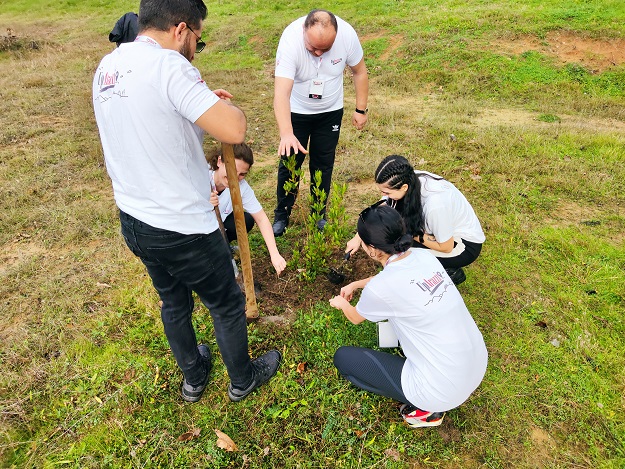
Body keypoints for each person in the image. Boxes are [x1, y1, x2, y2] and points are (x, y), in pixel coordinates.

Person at [92, 0, 281, 404]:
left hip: (135, 220)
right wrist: (225, 107)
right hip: (182, 227)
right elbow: (232, 129)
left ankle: (194, 378)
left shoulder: (108, 67)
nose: (196, 46)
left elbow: (148, 115)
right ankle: (242, 379)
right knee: (226, 302)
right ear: (181, 29)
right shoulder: (170, 67)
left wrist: (197, 100)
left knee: (173, 301)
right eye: (198, 37)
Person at [330, 203, 488, 428]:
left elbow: (355, 317)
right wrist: (357, 284)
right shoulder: (423, 257)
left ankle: (427, 411)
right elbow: (391, 279)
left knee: (344, 358)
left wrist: (340, 303)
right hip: (476, 365)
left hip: (439, 390)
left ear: (372, 250)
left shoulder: (383, 287)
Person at [272, 9, 369, 236]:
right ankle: (282, 215)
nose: (317, 53)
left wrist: (360, 109)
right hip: (296, 112)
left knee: (323, 164)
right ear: (304, 31)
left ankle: (319, 214)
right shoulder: (290, 41)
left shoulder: (347, 36)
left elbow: (360, 72)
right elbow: (281, 94)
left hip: (330, 112)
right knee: (290, 164)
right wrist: (287, 133)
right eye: (313, 47)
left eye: (324, 49)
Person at [345, 155, 485, 285]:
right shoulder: (406, 178)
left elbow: (446, 247)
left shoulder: (435, 205)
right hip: (436, 233)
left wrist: (411, 233)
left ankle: (449, 273)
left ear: (404, 187)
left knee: (402, 253)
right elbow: (383, 208)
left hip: (461, 245)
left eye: (386, 192)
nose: (383, 195)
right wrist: (358, 237)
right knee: (395, 238)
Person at [206, 143, 287, 275]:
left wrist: (274, 254)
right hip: (195, 231)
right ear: (220, 161)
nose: (235, 178)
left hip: (219, 228)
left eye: (242, 174)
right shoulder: (201, 175)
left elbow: (261, 219)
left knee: (246, 219)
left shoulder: (241, 186)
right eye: (233, 169)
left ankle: (222, 247)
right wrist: (200, 202)